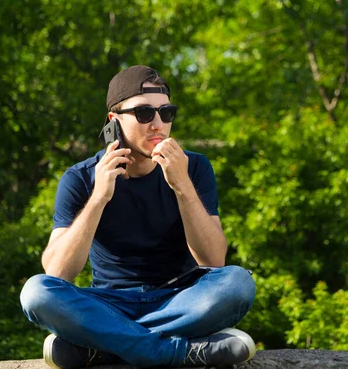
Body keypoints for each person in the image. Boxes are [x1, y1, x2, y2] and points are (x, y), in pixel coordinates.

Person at [20, 65, 256, 369]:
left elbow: (212, 259)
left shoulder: (193, 168)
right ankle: (171, 351)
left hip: (180, 299)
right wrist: (99, 197)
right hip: (107, 305)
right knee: (36, 293)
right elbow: (57, 272)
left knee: (238, 283)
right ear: (114, 121)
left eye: (166, 113)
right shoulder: (80, 178)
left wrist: (182, 186)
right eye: (144, 113)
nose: (157, 124)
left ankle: (104, 347)